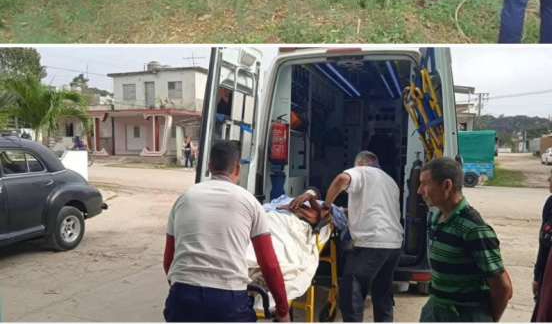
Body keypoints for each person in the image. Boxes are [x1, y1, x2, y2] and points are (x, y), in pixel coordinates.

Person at [163, 140, 290, 323]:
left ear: (209, 167)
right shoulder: (250, 202)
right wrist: (282, 310)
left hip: (182, 297)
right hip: (229, 301)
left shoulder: (184, 198)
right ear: (238, 169)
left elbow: (169, 259)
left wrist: (181, 291)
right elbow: (268, 264)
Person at [292, 151, 403, 322]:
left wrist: (327, 206)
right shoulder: (389, 181)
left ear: (360, 162)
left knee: (352, 292)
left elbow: (342, 180)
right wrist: (342, 211)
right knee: (382, 295)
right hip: (393, 245)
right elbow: (373, 211)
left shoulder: (362, 171)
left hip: (370, 243)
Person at [417, 156, 512, 322]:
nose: (419, 191)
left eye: (425, 184)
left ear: (446, 185)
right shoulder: (438, 219)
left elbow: (502, 287)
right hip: (435, 310)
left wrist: (486, 318)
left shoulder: (475, 229)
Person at [531, 171, 552, 321]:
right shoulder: (550, 203)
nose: (549, 179)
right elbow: (543, 245)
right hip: (546, 278)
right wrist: (537, 277)